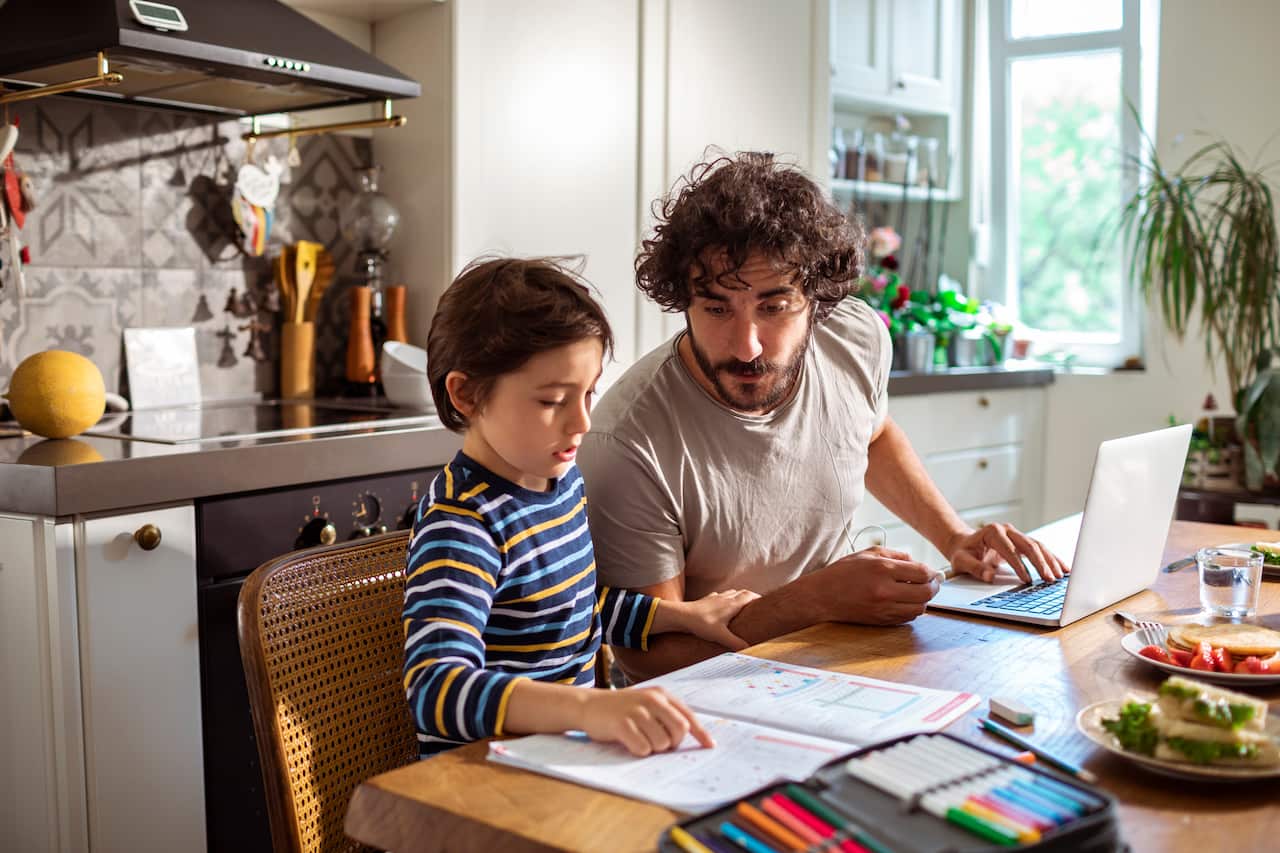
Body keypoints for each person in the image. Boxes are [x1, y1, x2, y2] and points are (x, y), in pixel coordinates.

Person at [577, 152, 1069, 681]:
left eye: (774, 306)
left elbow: (872, 434)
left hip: (841, 657)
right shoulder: (628, 441)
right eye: (717, 308)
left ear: (818, 297)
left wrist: (954, 537)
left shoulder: (854, 335)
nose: (746, 347)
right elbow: (649, 659)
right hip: (712, 695)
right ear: (683, 300)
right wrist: (813, 602)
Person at [404, 256, 759, 758]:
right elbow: (436, 691)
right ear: (465, 394)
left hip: (563, 757)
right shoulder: (464, 526)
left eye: (589, 393)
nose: (583, 423)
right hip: (482, 779)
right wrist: (587, 708)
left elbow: (573, 612)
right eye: (552, 401)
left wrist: (681, 617)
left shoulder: (561, 484)